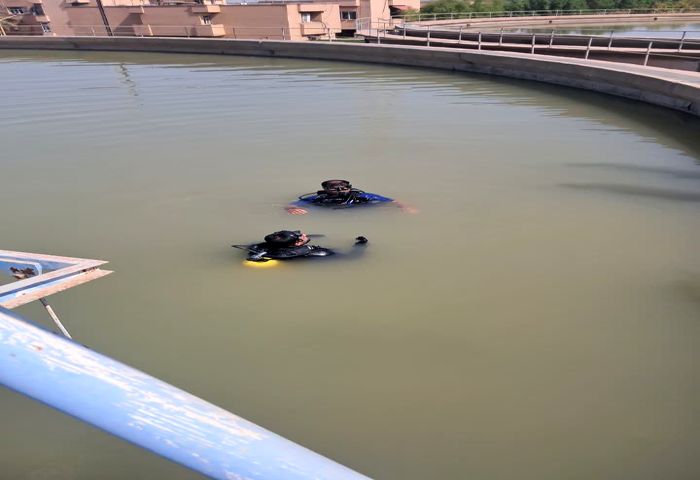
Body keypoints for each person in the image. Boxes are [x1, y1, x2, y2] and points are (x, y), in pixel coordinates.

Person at [286, 179, 416, 215]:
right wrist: (291, 209)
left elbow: (392, 200)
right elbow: (292, 204)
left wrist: (405, 206)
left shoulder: (363, 196)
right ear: (325, 190)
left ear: (350, 188)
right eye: (334, 188)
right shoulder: (318, 198)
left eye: (344, 188)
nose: (340, 190)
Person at [233, 230, 368, 263]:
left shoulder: (260, 248)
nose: (303, 234)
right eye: (300, 236)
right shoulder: (317, 252)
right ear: (297, 243)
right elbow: (352, 258)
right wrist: (361, 245)